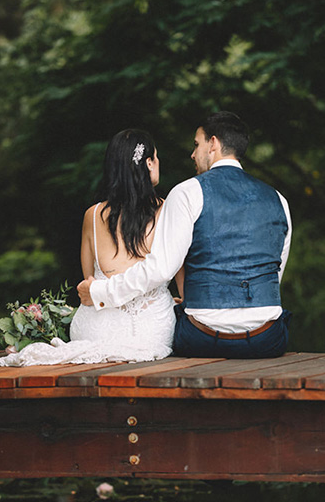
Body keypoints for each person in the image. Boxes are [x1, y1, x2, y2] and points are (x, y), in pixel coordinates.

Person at [78, 111, 292, 358]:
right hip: (266, 338)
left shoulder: (187, 192)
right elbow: (275, 272)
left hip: (204, 337)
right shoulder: (278, 199)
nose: (192, 154)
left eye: (197, 144)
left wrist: (100, 292)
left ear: (213, 144)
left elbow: (161, 269)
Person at [0, 129, 175, 367]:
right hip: (149, 333)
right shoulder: (168, 211)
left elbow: (87, 283)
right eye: (156, 158)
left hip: (95, 328)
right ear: (148, 163)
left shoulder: (93, 215)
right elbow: (179, 274)